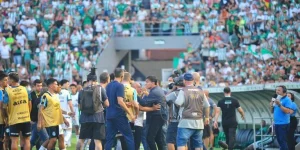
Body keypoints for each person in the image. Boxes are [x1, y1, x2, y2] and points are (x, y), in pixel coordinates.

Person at [175, 73, 210, 150]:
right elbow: (207, 105)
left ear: (184, 81)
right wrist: (207, 117)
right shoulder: (201, 91)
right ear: (193, 80)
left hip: (185, 122)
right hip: (199, 122)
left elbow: (178, 103)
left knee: (181, 143)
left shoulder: (183, 91)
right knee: (198, 145)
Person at [76, 68, 109, 150]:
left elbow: (79, 106)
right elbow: (107, 104)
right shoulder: (101, 89)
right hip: (98, 119)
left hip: (85, 119)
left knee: (81, 140)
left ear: (87, 81)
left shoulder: (81, 91)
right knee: (97, 142)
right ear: (96, 80)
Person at [105, 68, 135, 150]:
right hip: (119, 115)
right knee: (129, 136)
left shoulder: (108, 86)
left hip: (109, 115)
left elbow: (110, 100)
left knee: (109, 139)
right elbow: (120, 102)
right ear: (122, 76)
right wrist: (130, 113)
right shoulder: (120, 85)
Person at [2, 72, 32, 150]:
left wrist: (6, 117)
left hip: (14, 119)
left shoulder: (7, 91)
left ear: (12, 80)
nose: (7, 81)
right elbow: (30, 104)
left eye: (8, 79)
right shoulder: (25, 89)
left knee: (14, 141)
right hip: (26, 118)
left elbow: (4, 107)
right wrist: (28, 113)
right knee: (27, 140)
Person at [38, 78, 69, 150]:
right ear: (51, 85)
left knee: (57, 139)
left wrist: (64, 119)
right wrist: (39, 122)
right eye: (56, 84)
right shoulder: (45, 96)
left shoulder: (55, 95)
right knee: (53, 140)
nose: (57, 86)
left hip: (56, 122)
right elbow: (40, 109)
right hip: (50, 122)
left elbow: (58, 110)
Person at [139, 75, 167, 150]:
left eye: (147, 82)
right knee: (158, 139)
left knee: (149, 138)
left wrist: (135, 95)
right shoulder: (156, 90)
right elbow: (149, 100)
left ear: (153, 83)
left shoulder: (155, 91)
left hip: (156, 116)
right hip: (159, 116)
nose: (145, 84)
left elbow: (144, 102)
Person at [120, 72, 139, 150]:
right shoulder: (133, 90)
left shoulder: (118, 88)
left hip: (118, 116)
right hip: (130, 117)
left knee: (121, 138)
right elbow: (136, 104)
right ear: (129, 79)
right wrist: (136, 114)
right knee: (130, 138)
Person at [270, 85, 293, 150]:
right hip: (277, 123)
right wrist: (271, 105)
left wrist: (279, 104)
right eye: (276, 90)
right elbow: (272, 111)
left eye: (279, 90)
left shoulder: (287, 100)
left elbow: (287, 111)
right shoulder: (277, 99)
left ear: (284, 91)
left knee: (283, 141)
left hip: (283, 124)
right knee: (279, 141)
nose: (277, 92)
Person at [165, 76, 184, 150]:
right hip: (186, 120)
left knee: (170, 140)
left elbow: (164, 99)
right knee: (183, 142)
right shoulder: (188, 92)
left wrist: (172, 90)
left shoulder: (174, 94)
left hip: (175, 120)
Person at [30, 79, 49, 150]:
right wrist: (30, 119)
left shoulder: (41, 97)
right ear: (34, 86)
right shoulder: (32, 96)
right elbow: (32, 108)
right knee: (47, 139)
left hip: (39, 121)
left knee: (33, 141)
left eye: (41, 86)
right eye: (38, 86)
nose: (40, 87)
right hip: (36, 121)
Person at [58, 79, 74, 148]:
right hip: (66, 115)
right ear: (64, 84)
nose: (68, 85)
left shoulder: (57, 92)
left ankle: (63, 145)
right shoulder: (67, 93)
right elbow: (70, 104)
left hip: (59, 115)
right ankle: (64, 143)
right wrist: (72, 112)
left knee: (61, 132)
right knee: (69, 131)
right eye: (67, 84)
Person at [0, 73, 8, 150]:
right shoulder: (1, 91)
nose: (7, 81)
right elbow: (1, 106)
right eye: (5, 80)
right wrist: (5, 119)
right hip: (1, 120)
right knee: (2, 139)